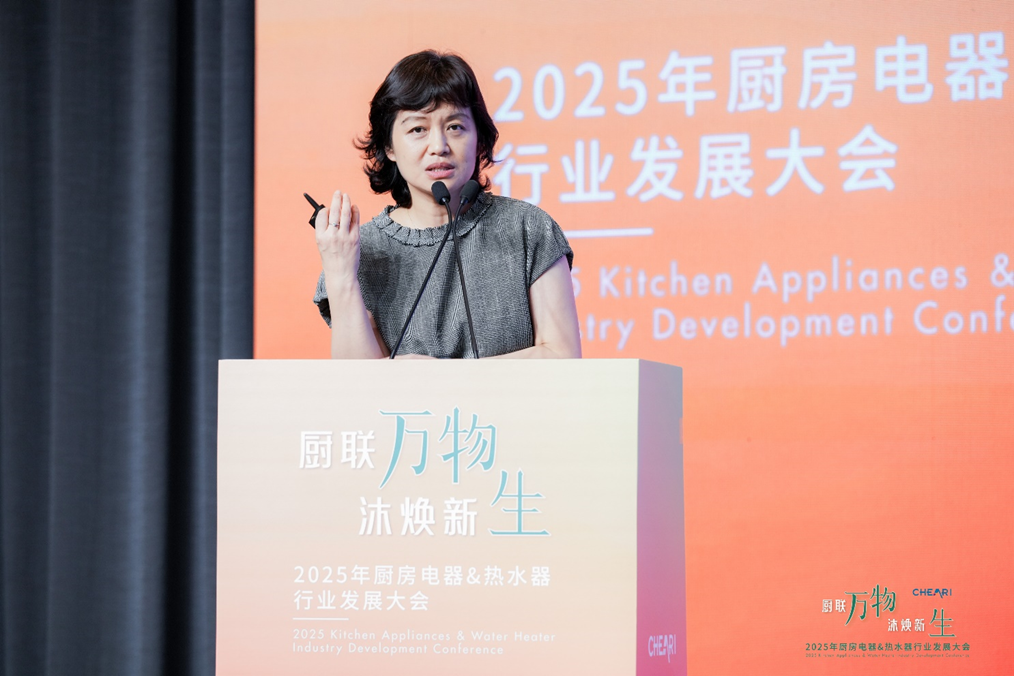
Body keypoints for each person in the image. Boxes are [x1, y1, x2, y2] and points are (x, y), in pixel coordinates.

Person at [313, 50, 581, 359]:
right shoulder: (365, 249)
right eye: (418, 129)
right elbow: (358, 382)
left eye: (455, 127)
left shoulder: (527, 229)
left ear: (479, 138)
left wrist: (444, 375)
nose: (439, 146)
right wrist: (341, 275)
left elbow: (562, 357)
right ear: (389, 146)